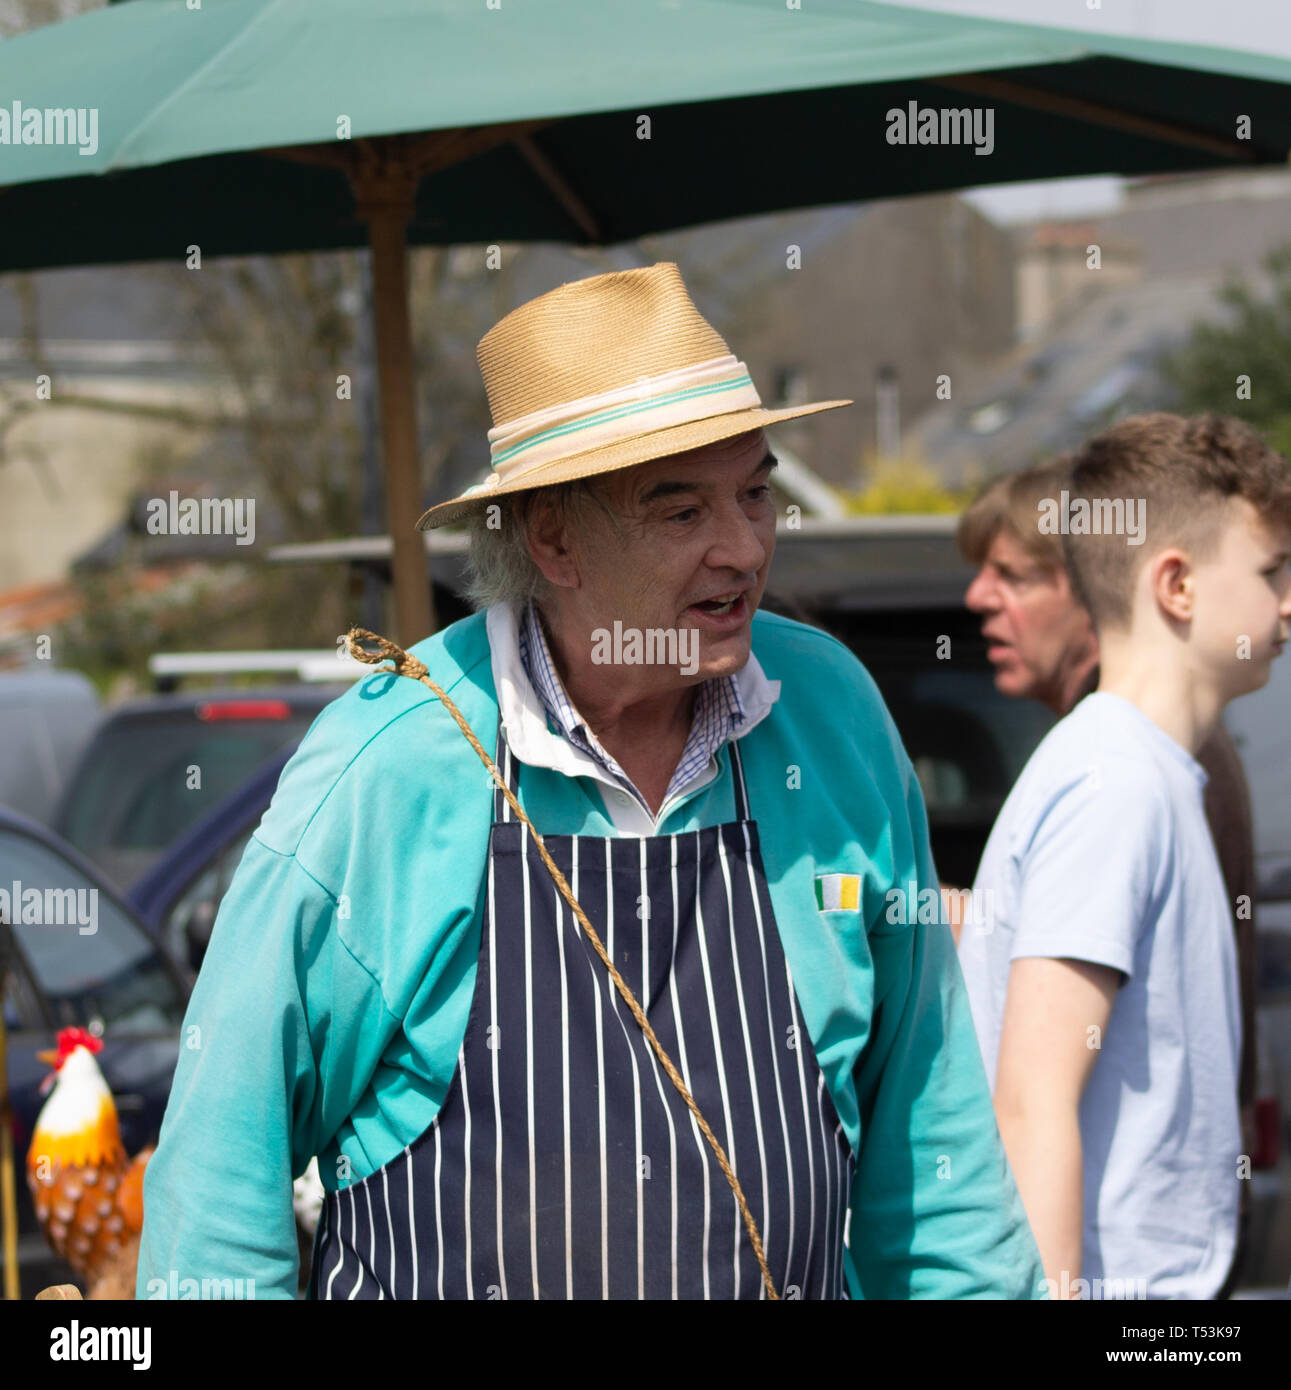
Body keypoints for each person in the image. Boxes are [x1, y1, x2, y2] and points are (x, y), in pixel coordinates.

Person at [135, 261, 1045, 1300]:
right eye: (681, 512)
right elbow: (215, 1196)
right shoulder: (387, 769)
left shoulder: (828, 716)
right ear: (552, 536)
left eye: (755, 493)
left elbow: (935, 1157)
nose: (743, 547)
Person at [956, 413, 1291, 1300]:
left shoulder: (1142, 773)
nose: (1286, 603)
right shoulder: (1116, 784)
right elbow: (1033, 1100)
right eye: (1268, 573)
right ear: (1175, 585)